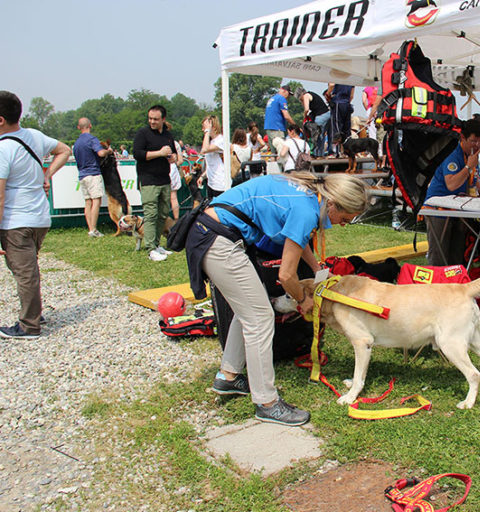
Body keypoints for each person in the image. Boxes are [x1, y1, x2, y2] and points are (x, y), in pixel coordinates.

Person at [185, 172, 368, 425]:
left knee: (248, 310)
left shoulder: (308, 197)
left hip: (212, 233)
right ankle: (267, 403)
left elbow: (297, 238)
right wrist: (303, 299)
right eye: (345, 218)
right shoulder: (307, 210)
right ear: (333, 204)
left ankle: (228, 377)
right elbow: (286, 275)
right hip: (217, 240)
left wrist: (317, 271)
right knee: (260, 318)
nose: (344, 224)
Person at [0, 91, 70, 338]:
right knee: (27, 268)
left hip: (15, 220)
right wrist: (47, 174)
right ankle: (34, 313)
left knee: (24, 272)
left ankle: (29, 325)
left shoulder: (3, 149)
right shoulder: (34, 136)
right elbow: (64, 150)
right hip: (39, 217)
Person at [424, 118, 480, 266]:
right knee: (439, 255)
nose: (477, 145)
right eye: (473, 141)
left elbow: (474, 179)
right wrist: (468, 167)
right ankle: (436, 287)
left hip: (459, 209)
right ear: (463, 138)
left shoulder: (471, 155)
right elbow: (451, 184)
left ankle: (455, 285)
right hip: (438, 209)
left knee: (457, 254)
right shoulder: (452, 154)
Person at [133, 104, 177, 262]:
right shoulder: (142, 133)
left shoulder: (167, 135)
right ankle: (150, 248)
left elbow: (174, 155)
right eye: (150, 118)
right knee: (151, 214)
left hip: (164, 179)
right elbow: (137, 154)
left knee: (163, 214)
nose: (152, 121)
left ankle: (157, 244)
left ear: (163, 119)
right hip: (148, 180)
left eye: (155, 119)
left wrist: (173, 158)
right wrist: (159, 153)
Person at [72, 117, 111, 237]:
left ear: (79, 127)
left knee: (88, 202)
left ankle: (90, 229)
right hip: (93, 173)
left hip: (82, 175)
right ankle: (94, 229)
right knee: (96, 201)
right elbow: (100, 153)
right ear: (90, 125)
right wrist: (108, 151)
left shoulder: (77, 143)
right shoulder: (92, 139)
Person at [199, 115, 229, 198]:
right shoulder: (211, 142)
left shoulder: (221, 140)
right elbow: (212, 164)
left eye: (204, 127)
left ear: (214, 127)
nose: (203, 130)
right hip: (211, 183)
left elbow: (205, 149)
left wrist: (207, 131)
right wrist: (202, 176)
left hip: (220, 184)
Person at [295, 86, 330, 157]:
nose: (300, 100)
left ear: (300, 95)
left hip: (321, 115)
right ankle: (320, 154)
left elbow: (307, 109)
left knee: (316, 135)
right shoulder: (311, 94)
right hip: (326, 114)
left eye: (299, 99)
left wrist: (304, 116)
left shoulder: (306, 96)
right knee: (321, 136)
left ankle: (316, 154)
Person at [264, 85, 295, 155]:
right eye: (289, 94)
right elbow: (286, 116)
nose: (288, 97)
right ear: (284, 91)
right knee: (282, 152)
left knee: (273, 154)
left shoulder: (272, 99)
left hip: (269, 128)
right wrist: (295, 125)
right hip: (277, 128)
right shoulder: (281, 98)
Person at [327, 83, 354, 155]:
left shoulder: (336, 74)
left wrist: (328, 94)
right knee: (347, 129)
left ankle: (336, 151)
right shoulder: (351, 78)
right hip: (347, 103)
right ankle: (347, 150)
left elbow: (331, 85)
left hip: (338, 102)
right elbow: (352, 95)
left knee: (336, 127)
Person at [168, 128, 184, 220]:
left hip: (163, 170)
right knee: (174, 197)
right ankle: (176, 219)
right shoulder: (176, 144)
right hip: (173, 169)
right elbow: (181, 160)